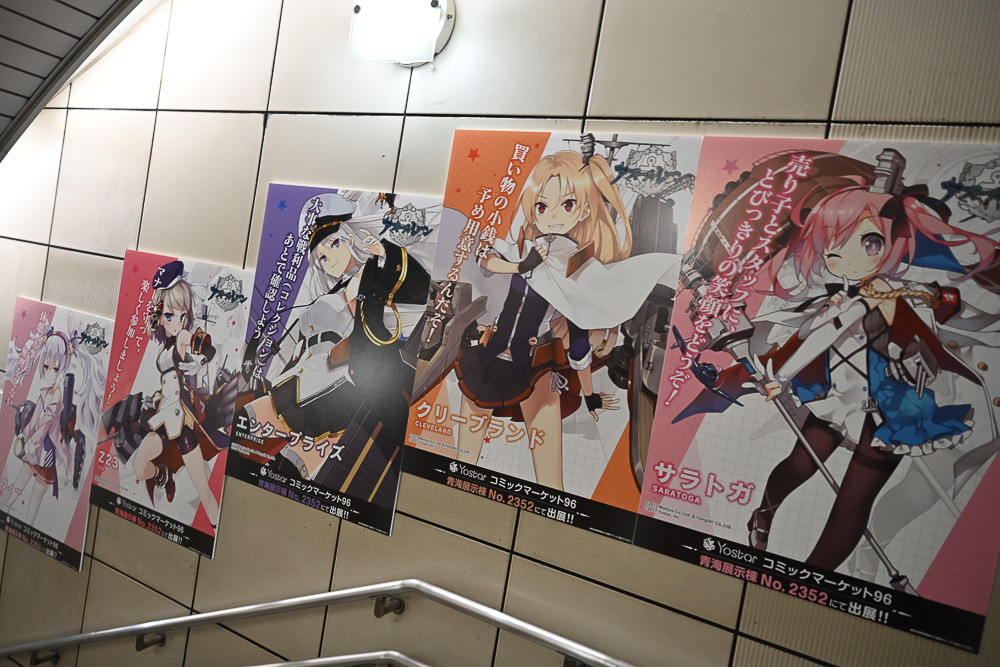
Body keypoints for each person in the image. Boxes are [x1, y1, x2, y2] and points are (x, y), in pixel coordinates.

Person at [745, 179, 998, 571]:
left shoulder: (919, 292)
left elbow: (970, 325)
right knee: (801, 463)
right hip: (845, 395)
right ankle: (763, 514)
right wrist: (783, 374)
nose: (844, 257)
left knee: (854, 499)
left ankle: (810, 579)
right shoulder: (855, 298)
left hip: (897, 406)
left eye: (869, 243)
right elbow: (824, 334)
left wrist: (937, 306)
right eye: (833, 247)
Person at [454, 150, 674, 489]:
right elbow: (488, 260)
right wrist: (521, 265)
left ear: (583, 210)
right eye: (542, 206)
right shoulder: (526, 244)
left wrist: (590, 395)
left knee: (549, 482)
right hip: (488, 354)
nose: (553, 215)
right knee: (459, 466)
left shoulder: (577, 264)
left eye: (567, 205)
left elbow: (579, 333)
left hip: (535, 364)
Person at [238, 193, 430, 491]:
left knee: (293, 462)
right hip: (303, 375)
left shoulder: (371, 274)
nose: (328, 261)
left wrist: (384, 254)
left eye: (332, 246)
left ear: (348, 239)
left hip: (338, 381)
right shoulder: (337, 288)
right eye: (321, 259)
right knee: (247, 431)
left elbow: (417, 287)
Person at [130, 261, 221, 525]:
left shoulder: (181, 337)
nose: (178, 322)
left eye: (183, 315)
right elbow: (169, 383)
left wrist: (200, 361)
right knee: (139, 467)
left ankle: (216, 526)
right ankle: (162, 476)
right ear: (159, 314)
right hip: (164, 418)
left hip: (182, 425)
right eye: (170, 315)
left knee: (204, 491)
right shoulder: (165, 346)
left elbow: (206, 348)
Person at [2, 328, 105, 524]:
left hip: (47, 451)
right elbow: (34, 419)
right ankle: (5, 511)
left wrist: (32, 441)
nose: (50, 372)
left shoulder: (58, 396)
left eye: (55, 369)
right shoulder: (45, 390)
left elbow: (46, 425)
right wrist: (24, 435)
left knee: (35, 498)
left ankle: (28, 526)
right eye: (46, 367)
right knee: (18, 484)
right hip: (34, 446)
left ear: (62, 368)